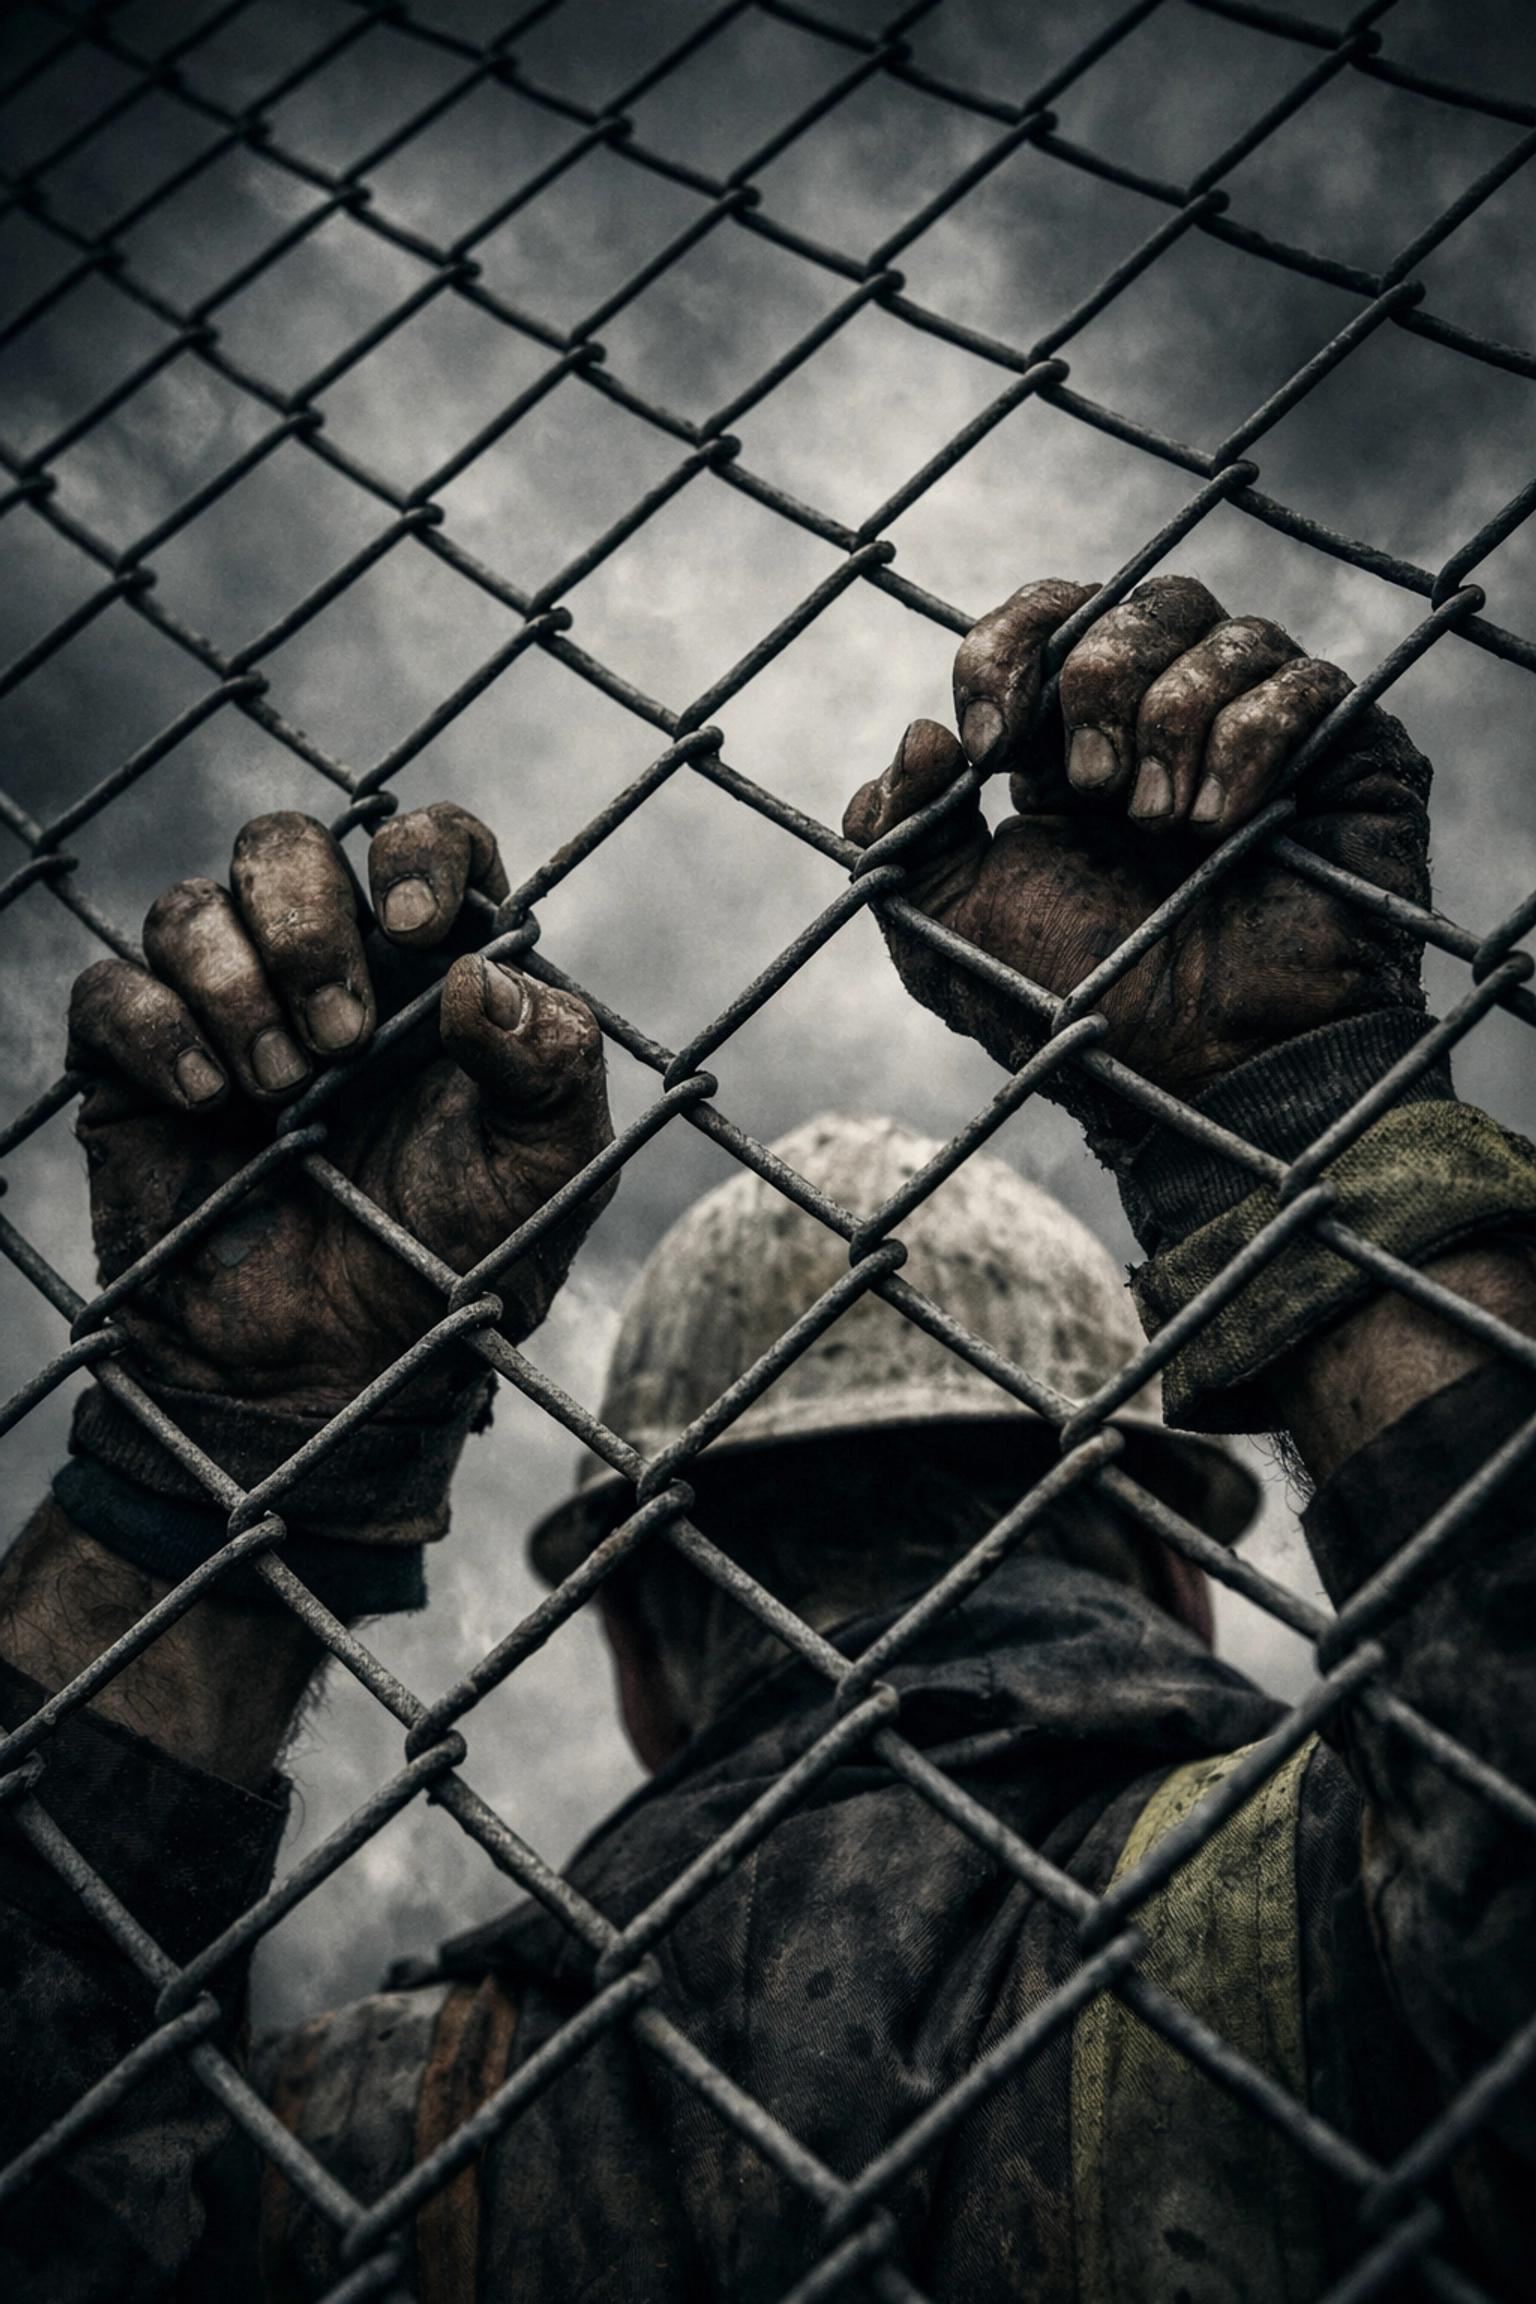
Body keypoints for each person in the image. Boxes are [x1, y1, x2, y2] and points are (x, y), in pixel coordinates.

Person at [0, 572, 1533, 2302]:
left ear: (642, 1649)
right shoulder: (1366, 1933)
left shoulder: (367, 2142)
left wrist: (212, 1465)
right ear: (1178, 1568)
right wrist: (1304, 1100)